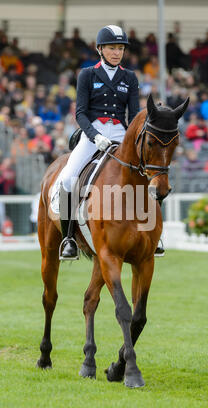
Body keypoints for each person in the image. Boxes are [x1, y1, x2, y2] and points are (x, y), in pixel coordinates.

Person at [58, 25, 139, 260]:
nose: (117, 52)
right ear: (100, 49)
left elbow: (133, 116)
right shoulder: (87, 74)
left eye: (120, 48)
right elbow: (80, 113)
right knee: (67, 178)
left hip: (121, 134)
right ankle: (69, 238)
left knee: (145, 174)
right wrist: (95, 136)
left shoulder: (130, 77)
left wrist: (131, 140)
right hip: (93, 133)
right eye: (112, 48)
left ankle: (152, 235)